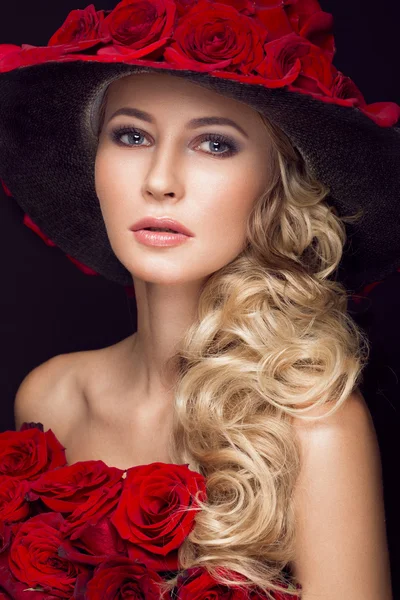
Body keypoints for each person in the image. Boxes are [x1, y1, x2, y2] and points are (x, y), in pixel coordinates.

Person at [0, 0, 399, 598]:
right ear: (95, 165)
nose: (160, 180)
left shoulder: (314, 431)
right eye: (131, 135)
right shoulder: (53, 398)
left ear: (275, 182)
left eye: (215, 144)